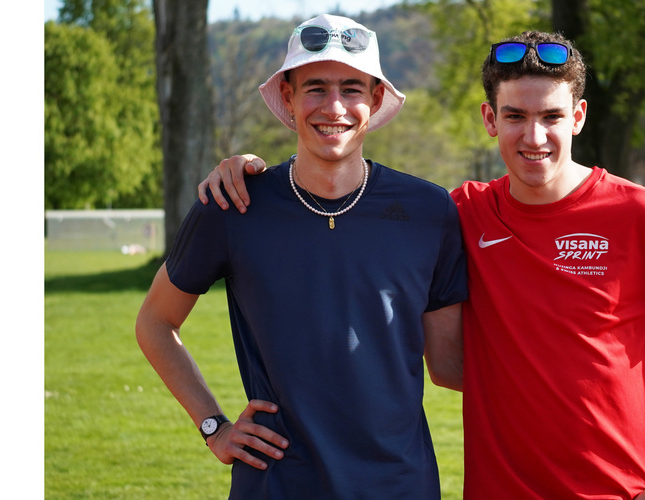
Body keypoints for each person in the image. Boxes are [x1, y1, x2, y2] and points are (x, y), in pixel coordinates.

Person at [202, 31, 645, 500]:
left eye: (551, 116)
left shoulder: (641, 213)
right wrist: (253, 173)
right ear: (489, 118)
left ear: (578, 117)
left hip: (620, 491)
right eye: (515, 115)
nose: (534, 136)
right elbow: (357, 213)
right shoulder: (458, 214)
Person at [136, 14, 467, 499]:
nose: (334, 107)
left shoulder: (428, 210)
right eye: (316, 88)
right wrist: (214, 426)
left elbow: (451, 364)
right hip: (276, 483)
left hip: (399, 485)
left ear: (375, 100)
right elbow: (155, 322)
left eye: (351, 89)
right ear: (288, 98)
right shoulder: (235, 204)